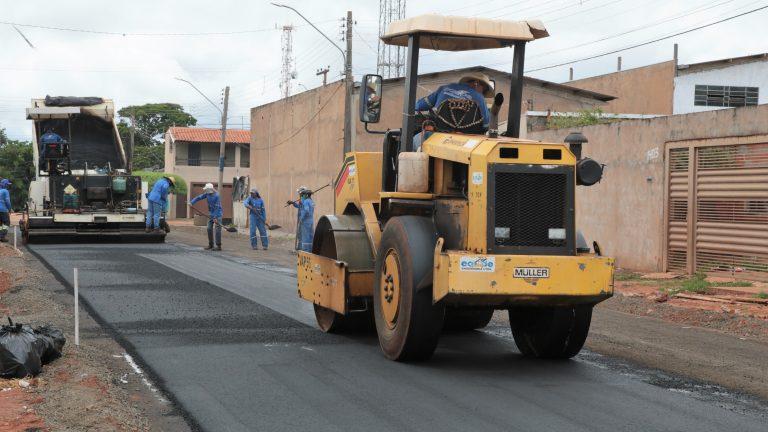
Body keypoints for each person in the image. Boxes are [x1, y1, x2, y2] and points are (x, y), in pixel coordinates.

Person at [412, 72, 493, 151]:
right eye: (484, 90)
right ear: (477, 83)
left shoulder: (444, 89)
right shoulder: (480, 98)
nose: (483, 93)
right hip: (467, 143)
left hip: (438, 137)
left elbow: (419, 106)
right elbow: (486, 125)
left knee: (415, 140)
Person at [191, 183, 224, 251]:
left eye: (206, 190)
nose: (205, 191)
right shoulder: (207, 194)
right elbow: (199, 197)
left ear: (209, 190)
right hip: (211, 214)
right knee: (209, 228)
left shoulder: (217, 196)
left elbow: (217, 207)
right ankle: (211, 244)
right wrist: (192, 202)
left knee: (217, 230)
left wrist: (215, 217)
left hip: (218, 214)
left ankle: (218, 246)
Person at [287, 186, 315, 252]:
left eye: (300, 194)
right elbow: (299, 206)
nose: (300, 195)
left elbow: (306, 210)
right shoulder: (311, 201)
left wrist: (301, 218)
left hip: (305, 221)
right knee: (308, 236)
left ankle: (304, 250)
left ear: (304, 194)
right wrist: (293, 203)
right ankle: (306, 250)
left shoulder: (305, 201)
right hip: (310, 221)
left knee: (305, 236)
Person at [0, 179, 12, 243]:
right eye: (7, 185)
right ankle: (2, 236)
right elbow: (7, 201)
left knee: (1, 224)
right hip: (3, 210)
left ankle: (1, 236)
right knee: (7, 223)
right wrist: (10, 209)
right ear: (5, 185)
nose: (8, 186)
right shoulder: (5, 191)